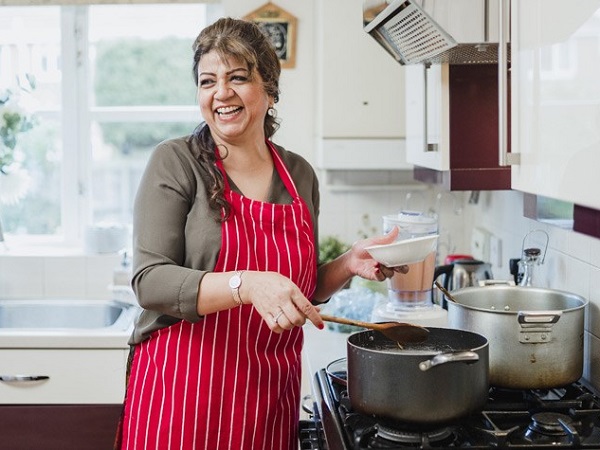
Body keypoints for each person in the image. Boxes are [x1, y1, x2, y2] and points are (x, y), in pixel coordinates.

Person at [117, 17, 406, 450]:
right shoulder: (176, 161)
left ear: (269, 89)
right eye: (207, 81)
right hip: (184, 391)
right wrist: (245, 284)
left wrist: (347, 264)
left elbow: (297, 288)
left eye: (237, 77)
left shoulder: (299, 174)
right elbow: (150, 280)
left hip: (267, 396)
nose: (221, 93)